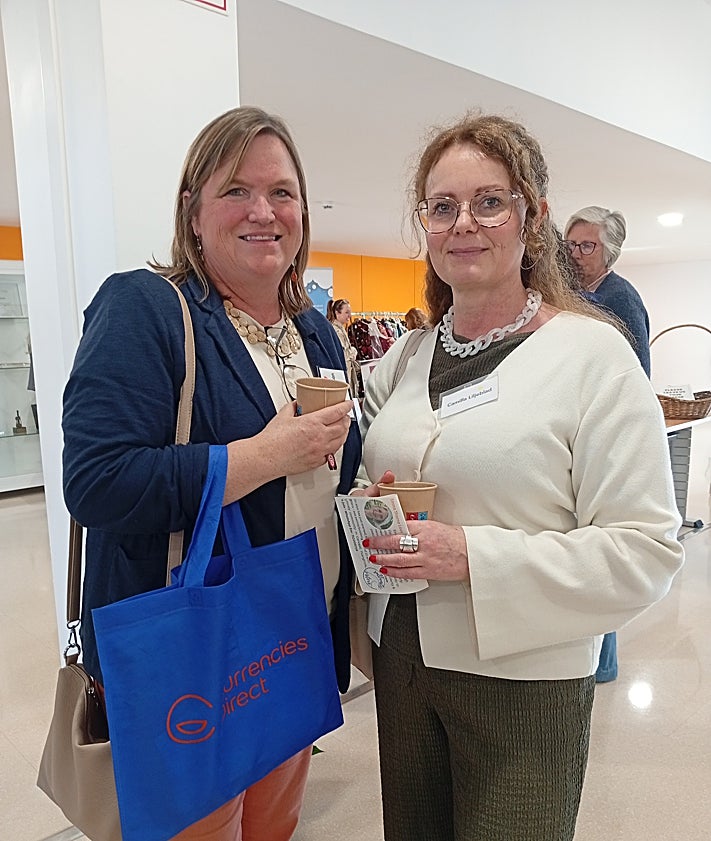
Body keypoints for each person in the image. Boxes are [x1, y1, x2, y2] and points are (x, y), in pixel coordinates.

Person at [352, 114, 683, 841]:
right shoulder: (406, 357)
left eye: (488, 201)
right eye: (441, 207)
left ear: (531, 216)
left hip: (524, 677)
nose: (462, 223)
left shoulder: (593, 356)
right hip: (402, 660)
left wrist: (470, 556)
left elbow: (646, 550)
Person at [62, 106, 361, 841]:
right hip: (191, 652)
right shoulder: (146, 308)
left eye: (282, 192)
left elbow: (326, 469)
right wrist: (261, 456)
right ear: (193, 212)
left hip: (293, 636)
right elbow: (98, 481)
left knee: (271, 826)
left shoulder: (315, 329)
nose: (264, 211)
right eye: (236, 191)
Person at [564, 206, 652, 683]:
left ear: (610, 251)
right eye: (572, 244)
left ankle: (603, 664)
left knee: (603, 544)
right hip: (577, 435)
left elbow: (634, 379)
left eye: (587, 246)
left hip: (606, 440)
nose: (575, 254)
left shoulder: (621, 299)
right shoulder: (577, 293)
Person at [327, 297, 360, 397]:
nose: (349, 316)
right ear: (337, 313)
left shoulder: (340, 329)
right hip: (342, 374)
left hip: (346, 373)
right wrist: (353, 352)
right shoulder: (336, 331)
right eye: (346, 312)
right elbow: (343, 355)